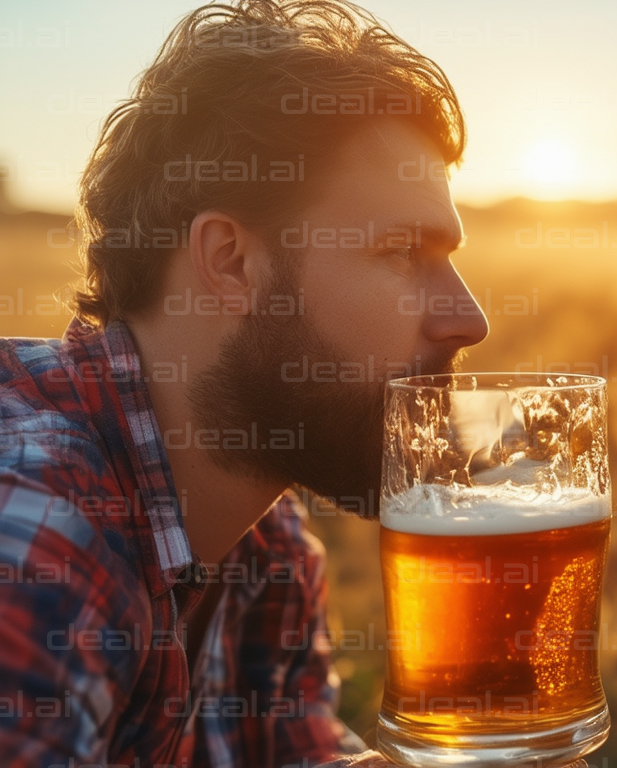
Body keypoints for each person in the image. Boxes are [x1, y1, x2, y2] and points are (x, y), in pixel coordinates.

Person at [0, 0, 486, 763]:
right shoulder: (36, 540)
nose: (469, 318)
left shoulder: (266, 543)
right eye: (399, 251)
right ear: (229, 261)